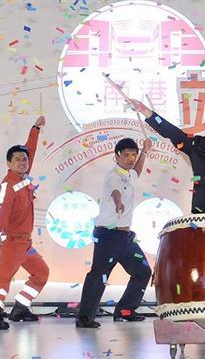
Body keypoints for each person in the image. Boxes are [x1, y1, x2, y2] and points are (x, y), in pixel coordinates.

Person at [76, 137, 152, 328]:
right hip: (108, 236)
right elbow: (115, 191)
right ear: (116, 156)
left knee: (143, 271)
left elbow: (137, 172)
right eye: (126, 155)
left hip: (125, 238)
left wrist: (144, 152)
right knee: (98, 276)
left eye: (133, 155)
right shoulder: (113, 175)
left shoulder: (128, 173)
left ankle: (125, 311)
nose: (130, 159)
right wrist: (118, 202)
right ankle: (85, 317)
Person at [0, 116, 49, 330]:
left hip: (26, 245)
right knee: (3, 278)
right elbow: (2, 209)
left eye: (25, 159)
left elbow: (30, 149)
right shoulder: (9, 185)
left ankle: (20, 307)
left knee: (41, 273)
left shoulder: (23, 178)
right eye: (18, 160)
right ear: (8, 164)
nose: (23, 162)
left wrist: (35, 129)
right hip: (12, 242)